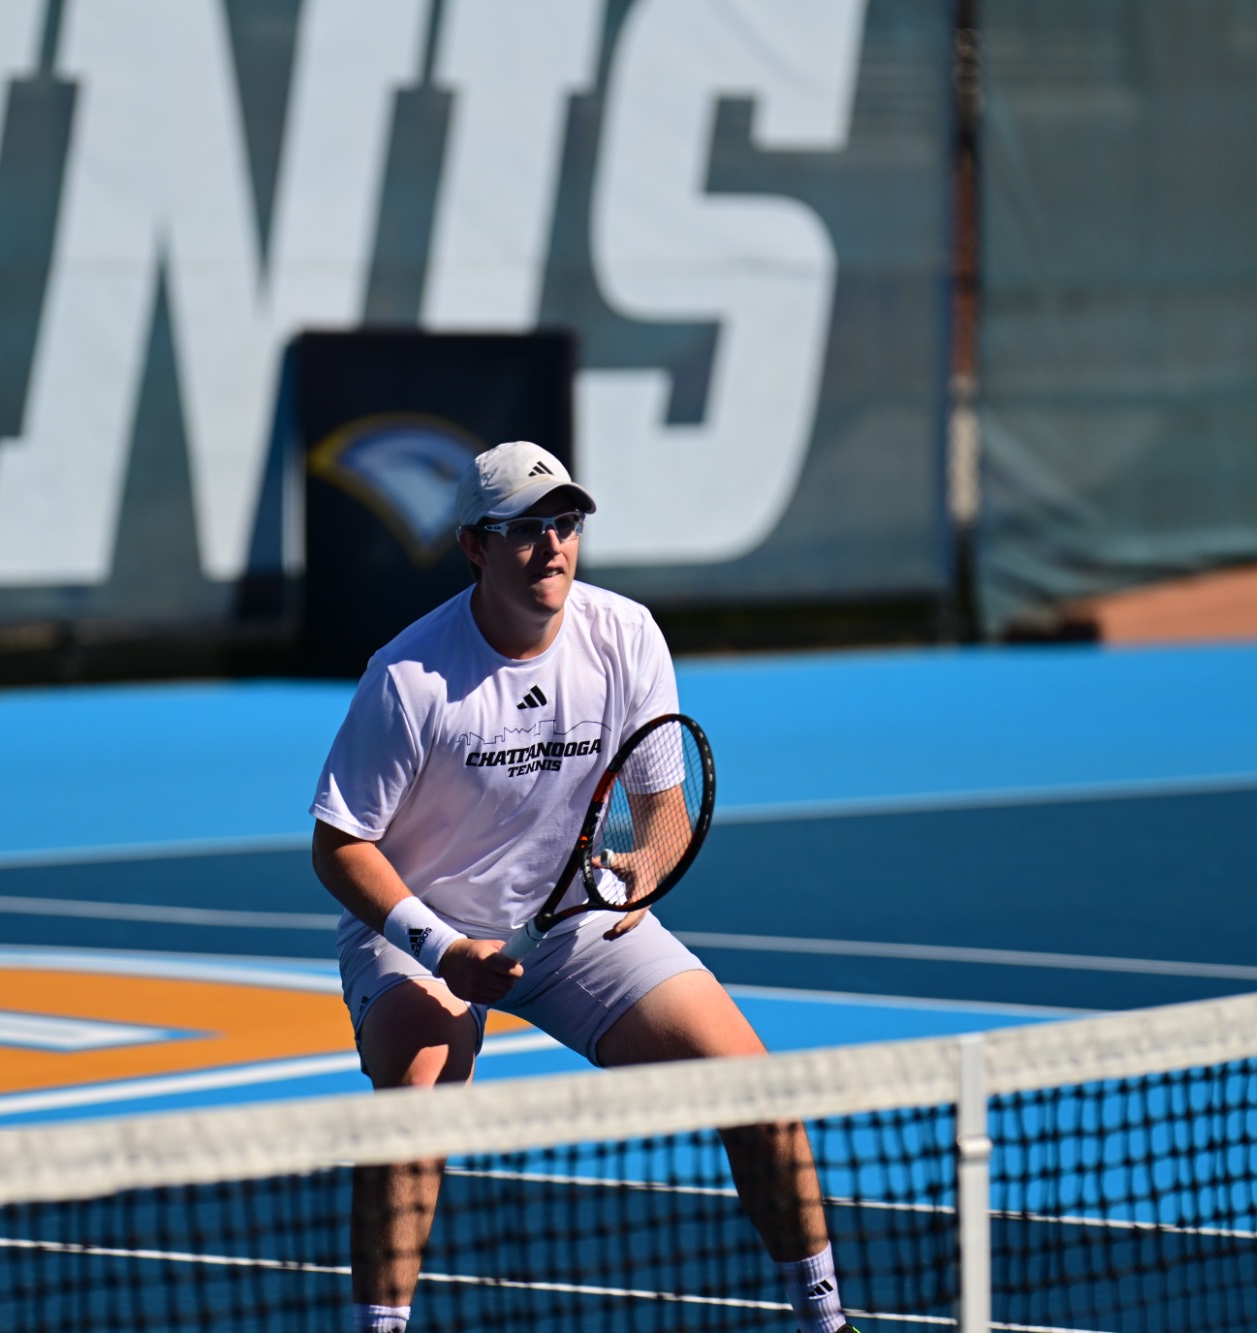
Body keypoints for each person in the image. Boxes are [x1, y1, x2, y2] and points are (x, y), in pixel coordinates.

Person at [310, 441, 856, 1333]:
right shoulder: (408, 678)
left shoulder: (626, 635)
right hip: (421, 927)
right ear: (475, 547)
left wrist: (644, 868)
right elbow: (340, 846)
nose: (553, 546)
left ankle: (828, 1321)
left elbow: (663, 815)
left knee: (759, 1090)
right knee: (413, 1111)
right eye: (527, 529)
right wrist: (442, 948)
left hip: (572, 920)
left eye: (565, 524)